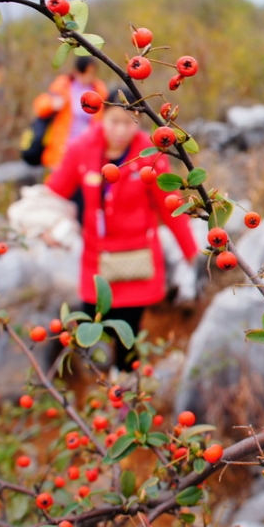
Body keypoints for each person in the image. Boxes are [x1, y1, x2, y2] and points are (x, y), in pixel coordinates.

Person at [45, 88, 198, 372]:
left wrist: (192, 252)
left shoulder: (150, 156)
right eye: (114, 121)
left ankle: (125, 389)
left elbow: (171, 209)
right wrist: (42, 226)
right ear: (102, 117)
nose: (120, 130)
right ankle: (84, 381)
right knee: (91, 321)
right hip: (97, 259)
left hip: (136, 263)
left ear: (138, 122)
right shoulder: (82, 148)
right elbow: (54, 192)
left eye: (128, 122)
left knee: (128, 330)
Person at [33, 56, 109, 169]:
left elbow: (102, 119)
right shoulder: (62, 86)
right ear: (78, 71)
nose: (89, 76)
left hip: (86, 146)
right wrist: (52, 104)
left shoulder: (99, 90)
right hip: (61, 145)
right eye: (86, 72)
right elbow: (39, 107)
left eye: (92, 72)